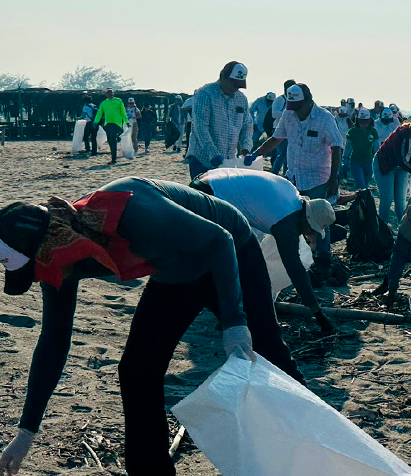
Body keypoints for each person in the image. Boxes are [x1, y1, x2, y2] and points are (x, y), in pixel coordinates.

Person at [0, 177, 303, 476]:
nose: (38, 279)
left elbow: (219, 239)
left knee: (267, 350)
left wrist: (235, 323)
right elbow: (53, 342)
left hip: (228, 253)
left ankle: (311, 435)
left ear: (52, 245)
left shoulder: (131, 209)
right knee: (137, 370)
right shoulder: (59, 261)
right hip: (174, 272)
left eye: (33, 270)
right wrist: (26, 432)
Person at [192, 168, 337, 333]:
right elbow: (295, 269)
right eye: (312, 229)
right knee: (231, 261)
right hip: (209, 194)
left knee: (243, 256)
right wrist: (317, 312)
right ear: (308, 218)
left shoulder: (292, 197)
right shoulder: (286, 222)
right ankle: (227, 316)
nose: (309, 233)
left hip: (208, 179)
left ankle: (230, 311)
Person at [247, 84, 344, 281]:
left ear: (308, 101)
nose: (294, 109)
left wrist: (333, 179)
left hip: (319, 179)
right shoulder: (288, 115)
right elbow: (276, 139)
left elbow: (337, 147)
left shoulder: (325, 118)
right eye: (291, 105)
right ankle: (301, 260)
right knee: (297, 221)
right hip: (295, 178)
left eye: (298, 105)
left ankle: (323, 262)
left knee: (319, 222)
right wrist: (255, 155)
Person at [186, 61, 253, 179]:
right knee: (203, 196)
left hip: (228, 161)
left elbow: (247, 125)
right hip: (202, 159)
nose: (236, 88)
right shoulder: (205, 94)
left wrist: (246, 148)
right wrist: (213, 154)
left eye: (239, 85)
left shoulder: (241, 99)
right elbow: (200, 127)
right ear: (223, 77)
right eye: (233, 84)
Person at [375, 118, 411, 229]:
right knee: (387, 198)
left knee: (401, 199)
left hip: (401, 167)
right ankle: (382, 228)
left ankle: (403, 227)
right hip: (385, 165)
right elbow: (400, 159)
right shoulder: (400, 136)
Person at [347, 108, 380, 189]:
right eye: (361, 122)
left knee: (366, 184)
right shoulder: (352, 132)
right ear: (358, 121)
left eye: (366, 122)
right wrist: (345, 158)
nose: (364, 124)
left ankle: (363, 200)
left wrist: (378, 159)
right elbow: (348, 146)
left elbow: (377, 147)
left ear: (369, 121)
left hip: (369, 162)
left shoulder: (373, 131)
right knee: (361, 185)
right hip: (355, 161)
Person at [93, 88, 128, 164]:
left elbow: (123, 112)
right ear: (106, 95)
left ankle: (114, 159)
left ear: (113, 94)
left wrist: (126, 121)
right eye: (108, 94)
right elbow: (99, 113)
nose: (110, 95)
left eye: (111, 94)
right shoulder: (103, 103)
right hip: (107, 124)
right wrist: (95, 122)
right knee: (110, 140)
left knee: (112, 139)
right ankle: (113, 156)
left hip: (117, 123)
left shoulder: (118, 101)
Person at [269, 80, 296, 177]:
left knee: (288, 155)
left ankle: (285, 175)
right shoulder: (280, 100)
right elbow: (274, 113)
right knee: (283, 154)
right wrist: (289, 114)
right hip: (279, 129)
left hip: (290, 130)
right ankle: (274, 174)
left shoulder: (293, 100)